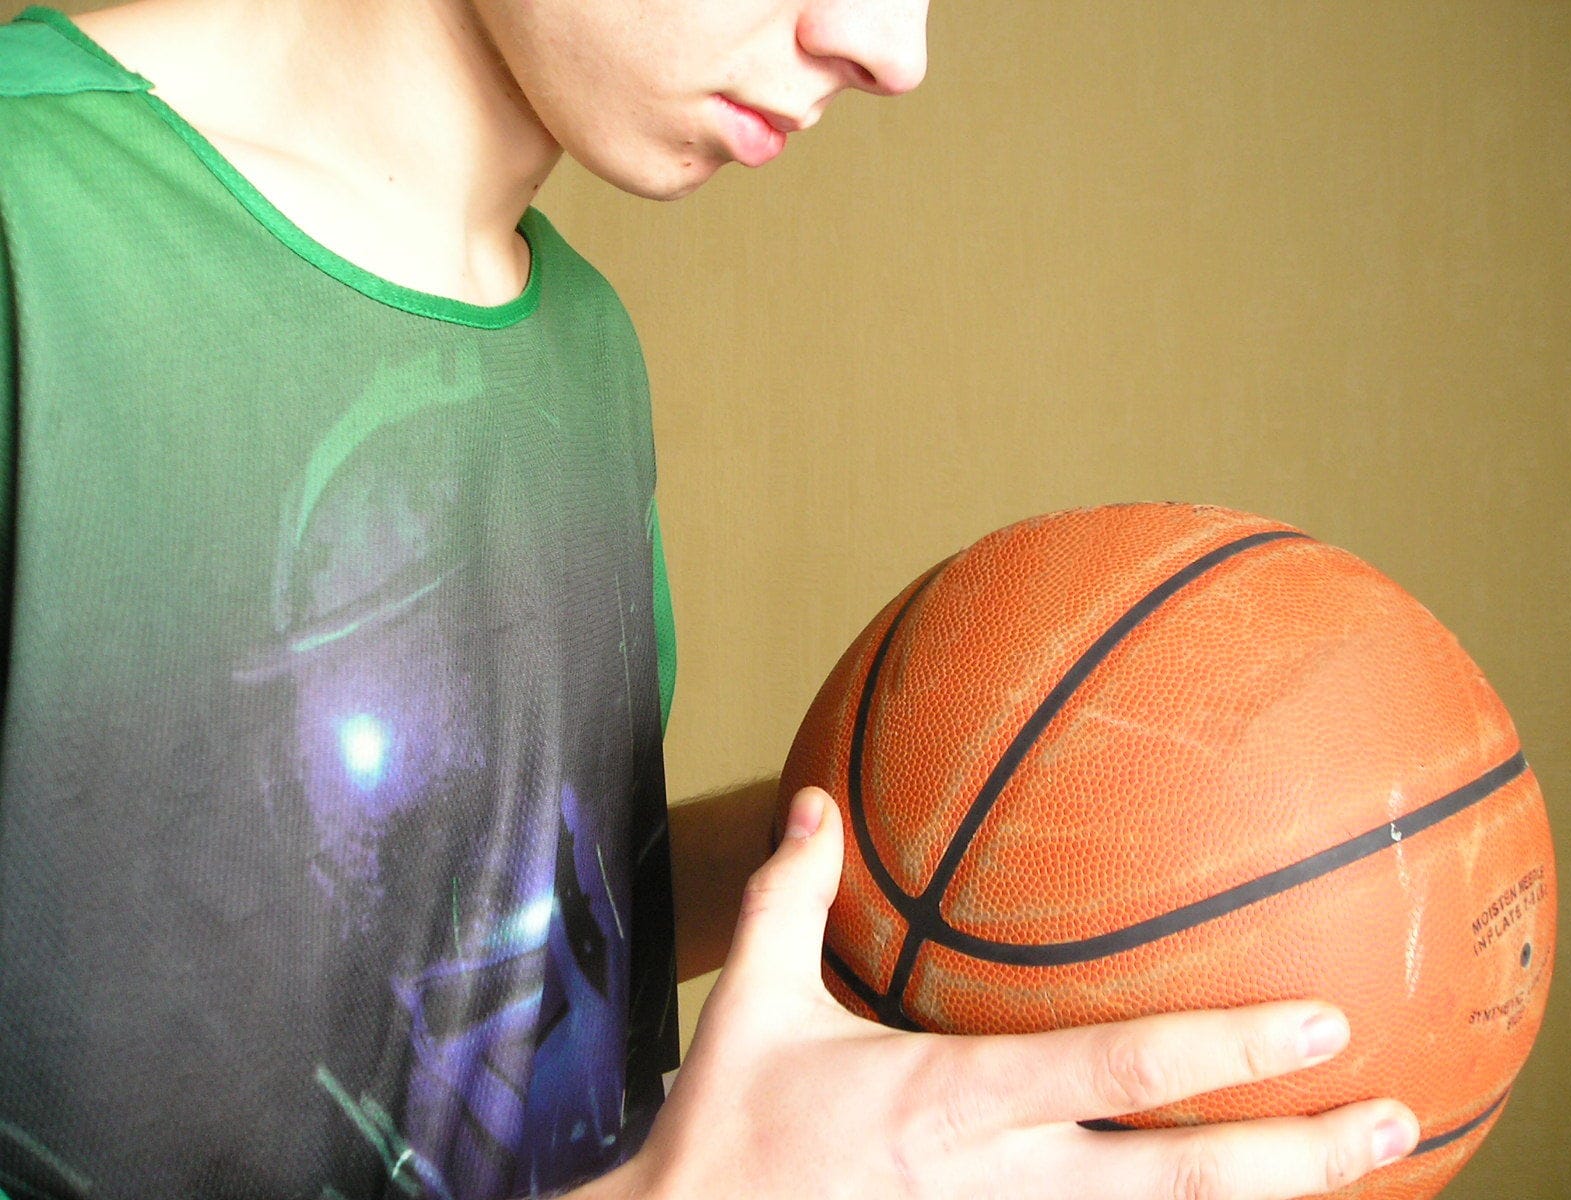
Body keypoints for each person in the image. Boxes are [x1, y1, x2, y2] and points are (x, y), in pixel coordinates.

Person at [0, 1, 1420, 1197]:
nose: (891, 46)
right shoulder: (28, 237)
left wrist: (949, 848)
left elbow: (417, 917)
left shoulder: (581, 348)